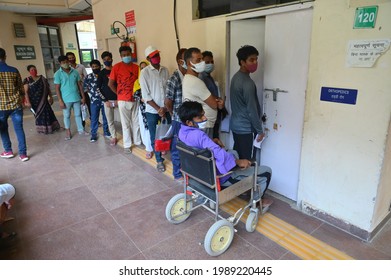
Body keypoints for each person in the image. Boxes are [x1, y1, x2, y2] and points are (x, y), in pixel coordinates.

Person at [178, 101, 273, 210]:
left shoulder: (182, 132)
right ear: (189, 123)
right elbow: (219, 154)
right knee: (266, 171)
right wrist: (238, 162)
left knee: (233, 153)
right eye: (200, 117)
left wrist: (212, 141)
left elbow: (199, 146)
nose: (204, 118)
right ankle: (255, 203)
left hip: (199, 175)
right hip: (219, 179)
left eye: (203, 114)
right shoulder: (199, 135)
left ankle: (244, 186)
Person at [230, 45, 265, 160]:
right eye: (251, 60)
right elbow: (251, 110)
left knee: (237, 159)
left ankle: (237, 178)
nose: (255, 62)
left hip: (236, 126)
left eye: (256, 59)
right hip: (245, 129)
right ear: (242, 62)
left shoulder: (235, 77)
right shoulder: (247, 83)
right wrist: (260, 131)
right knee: (247, 162)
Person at [139, 46, 170, 172]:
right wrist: (158, 109)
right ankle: (159, 160)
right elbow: (146, 95)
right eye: (154, 56)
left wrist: (165, 108)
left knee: (168, 132)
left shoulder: (165, 70)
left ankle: (164, 150)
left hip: (165, 109)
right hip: (152, 111)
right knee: (154, 136)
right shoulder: (144, 73)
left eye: (157, 55)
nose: (157, 58)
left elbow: (168, 90)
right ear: (148, 58)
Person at [182, 47, 224, 140]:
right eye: (198, 60)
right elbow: (213, 104)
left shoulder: (189, 78)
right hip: (204, 125)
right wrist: (217, 102)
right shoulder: (196, 82)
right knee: (205, 152)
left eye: (202, 59)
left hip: (201, 125)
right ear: (189, 63)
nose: (202, 63)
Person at [108, 46, 141, 154]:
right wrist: (119, 94)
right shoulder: (116, 67)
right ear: (121, 56)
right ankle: (127, 144)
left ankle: (137, 141)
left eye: (128, 54)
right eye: (124, 55)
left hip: (135, 99)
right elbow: (110, 83)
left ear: (131, 54)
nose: (126, 56)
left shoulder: (136, 67)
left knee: (136, 122)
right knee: (125, 123)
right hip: (122, 100)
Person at [0, 48, 29, 162]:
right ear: (5, 56)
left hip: (1, 107)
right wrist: (22, 100)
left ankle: (8, 151)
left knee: (3, 129)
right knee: (19, 129)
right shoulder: (14, 70)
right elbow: (21, 89)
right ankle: (23, 154)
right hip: (16, 106)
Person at [165, 48, 187, 181]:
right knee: (177, 147)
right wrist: (174, 114)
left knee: (188, 147)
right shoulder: (174, 78)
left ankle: (186, 170)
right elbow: (168, 101)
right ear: (180, 61)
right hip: (179, 120)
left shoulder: (190, 76)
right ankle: (177, 173)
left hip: (189, 120)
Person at [54, 55, 88, 140]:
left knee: (78, 114)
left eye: (66, 61)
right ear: (60, 63)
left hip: (76, 97)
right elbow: (57, 88)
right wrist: (60, 101)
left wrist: (83, 97)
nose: (65, 63)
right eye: (63, 62)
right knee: (66, 115)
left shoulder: (75, 72)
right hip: (65, 99)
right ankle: (68, 131)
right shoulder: (58, 74)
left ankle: (81, 130)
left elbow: (80, 85)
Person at [23, 65, 60, 134]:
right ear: (29, 71)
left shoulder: (42, 78)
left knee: (48, 113)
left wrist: (51, 97)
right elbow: (26, 92)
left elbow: (48, 88)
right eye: (32, 70)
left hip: (44, 100)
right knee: (39, 116)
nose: (34, 71)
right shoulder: (27, 80)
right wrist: (28, 102)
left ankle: (52, 127)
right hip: (34, 102)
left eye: (35, 69)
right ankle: (42, 129)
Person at [199, 51, 227, 139]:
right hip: (207, 117)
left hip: (214, 115)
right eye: (207, 62)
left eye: (212, 62)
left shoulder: (209, 77)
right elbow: (207, 96)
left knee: (214, 139)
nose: (210, 64)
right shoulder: (201, 78)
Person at [84, 60, 111, 143]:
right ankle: (94, 134)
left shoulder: (103, 75)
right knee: (94, 117)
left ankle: (106, 131)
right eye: (93, 67)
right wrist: (92, 93)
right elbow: (85, 88)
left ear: (100, 66)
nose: (95, 68)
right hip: (94, 100)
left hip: (104, 100)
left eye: (96, 66)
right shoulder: (88, 77)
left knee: (105, 117)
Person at [133, 60, 153, 159]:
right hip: (144, 109)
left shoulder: (153, 79)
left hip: (154, 107)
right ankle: (149, 148)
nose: (144, 69)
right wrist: (142, 98)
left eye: (146, 67)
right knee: (146, 128)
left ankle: (159, 147)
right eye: (142, 68)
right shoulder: (138, 81)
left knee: (156, 127)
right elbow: (135, 96)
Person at [97, 51, 118, 146]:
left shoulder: (116, 70)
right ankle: (113, 136)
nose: (107, 61)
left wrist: (120, 99)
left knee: (126, 120)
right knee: (110, 120)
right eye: (104, 60)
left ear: (112, 59)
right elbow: (98, 88)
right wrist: (105, 101)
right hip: (108, 101)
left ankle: (127, 136)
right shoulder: (101, 73)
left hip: (119, 100)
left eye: (108, 59)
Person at [66, 52, 91, 127]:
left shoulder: (81, 66)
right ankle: (82, 123)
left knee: (89, 105)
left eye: (72, 57)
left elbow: (86, 77)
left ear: (75, 57)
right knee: (78, 108)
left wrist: (88, 87)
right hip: (75, 92)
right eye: (69, 58)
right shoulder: (67, 69)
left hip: (84, 90)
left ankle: (93, 119)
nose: (71, 59)